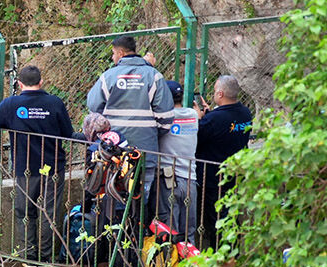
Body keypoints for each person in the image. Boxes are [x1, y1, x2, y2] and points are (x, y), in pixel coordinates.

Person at [0, 65, 74, 264]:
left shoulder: (11, 104)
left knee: (25, 211)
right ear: (41, 82)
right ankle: (46, 257)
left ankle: (29, 257)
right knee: (49, 212)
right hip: (53, 167)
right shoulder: (54, 102)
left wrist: (12, 122)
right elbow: (68, 133)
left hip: (26, 168)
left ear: (19, 84)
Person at [86, 35, 174, 206]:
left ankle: (116, 230)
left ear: (120, 53)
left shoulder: (108, 77)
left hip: (114, 153)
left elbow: (93, 106)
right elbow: (166, 116)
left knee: (113, 199)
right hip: (144, 151)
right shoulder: (153, 76)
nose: (113, 58)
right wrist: (151, 134)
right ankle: (136, 231)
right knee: (140, 201)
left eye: (113, 54)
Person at [195, 75, 252, 249]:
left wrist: (200, 120)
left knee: (217, 220)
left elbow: (197, 139)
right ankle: (231, 255)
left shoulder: (213, 120)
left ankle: (221, 260)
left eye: (214, 92)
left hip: (213, 178)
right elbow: (227, 127)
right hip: (235, 174)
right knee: (231, 216)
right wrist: (210, 115)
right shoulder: (245, 113)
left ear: (220, 93)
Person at [156, 80, 198, 243]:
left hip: (169, 179)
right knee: (189, 231)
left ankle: (171, 266)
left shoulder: (163, 119)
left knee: (170, 231)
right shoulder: (193, 115)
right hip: (190, 179)